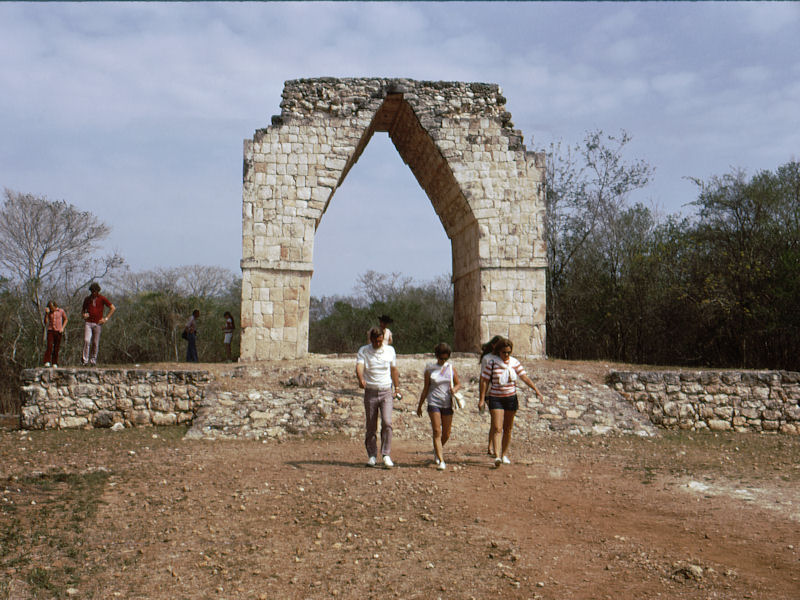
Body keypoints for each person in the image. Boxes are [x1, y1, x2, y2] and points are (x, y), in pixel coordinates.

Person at [478, 337, 544, 468]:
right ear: (499, 352)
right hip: (495, 398)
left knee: (508, 428)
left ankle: (504, 454)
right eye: (504, 352)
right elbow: (484, 380)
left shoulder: (514, 363)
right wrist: (481, 398)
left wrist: (536, 389)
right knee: (497, 427)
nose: (506, 355)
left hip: (510, 398)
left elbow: (523, 376)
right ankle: (497, 456)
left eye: (509, 352)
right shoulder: (492, 362)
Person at [356, 327, 401, 468]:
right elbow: (359, 366)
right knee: (371, 426)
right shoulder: (364, 350)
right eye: (375, 341)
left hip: (386, 391)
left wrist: (397, 387)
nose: (377, 343)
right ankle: (372, 455)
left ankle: (386, 454)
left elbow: (393, 369)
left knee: (387, 423)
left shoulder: (390, 350)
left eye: (380, 341)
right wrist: (360, 378)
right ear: (371, 339)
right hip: (370, 391)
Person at [416, 342, 461, 471]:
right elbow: (426, 388)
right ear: (437, 356)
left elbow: (458, 384)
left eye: (446, 358)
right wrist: (420, 405)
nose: (443, 361)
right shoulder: (430, 369)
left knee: (446, 433)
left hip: (447, 403)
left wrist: (455, 389)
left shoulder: (451, 368)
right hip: (434, 402)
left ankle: (437, 449)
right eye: (441, 358)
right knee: (437, 431)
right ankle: (441, 460)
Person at [479, 335, 503, 456]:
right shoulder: (487, 359)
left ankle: (491, 446)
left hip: (501, 393)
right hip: (490, 393)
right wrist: (482, 398)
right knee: (495, 421)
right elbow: (483, 379)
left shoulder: (502, 357)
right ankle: (492, 447)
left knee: (496, 422)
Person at [81, 282, 115, 366]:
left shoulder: (102, 298)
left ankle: (93, 360)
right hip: (88, 323)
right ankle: (85, 360)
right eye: (92, 291)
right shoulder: (87, 299)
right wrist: (83, 315)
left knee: (95, 343)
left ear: (98, 291)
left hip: (98, 323)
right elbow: (83, 310)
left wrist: (106, 318)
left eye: (95, 291)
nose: (93, 293)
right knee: (86, 340)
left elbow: (112, 308)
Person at [43, 300, 68, 368]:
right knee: (49, 346)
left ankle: (55, 362)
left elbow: (66, 319)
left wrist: (62, 328)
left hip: (58, 331)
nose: (51, 309)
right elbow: (45, 322)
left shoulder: (61, 311)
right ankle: (47, 361)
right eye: (50, 307)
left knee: (56, 347)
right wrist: (47, 314)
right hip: (51, 330)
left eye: (52, 307)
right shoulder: (49, 313)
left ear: (55, 306)